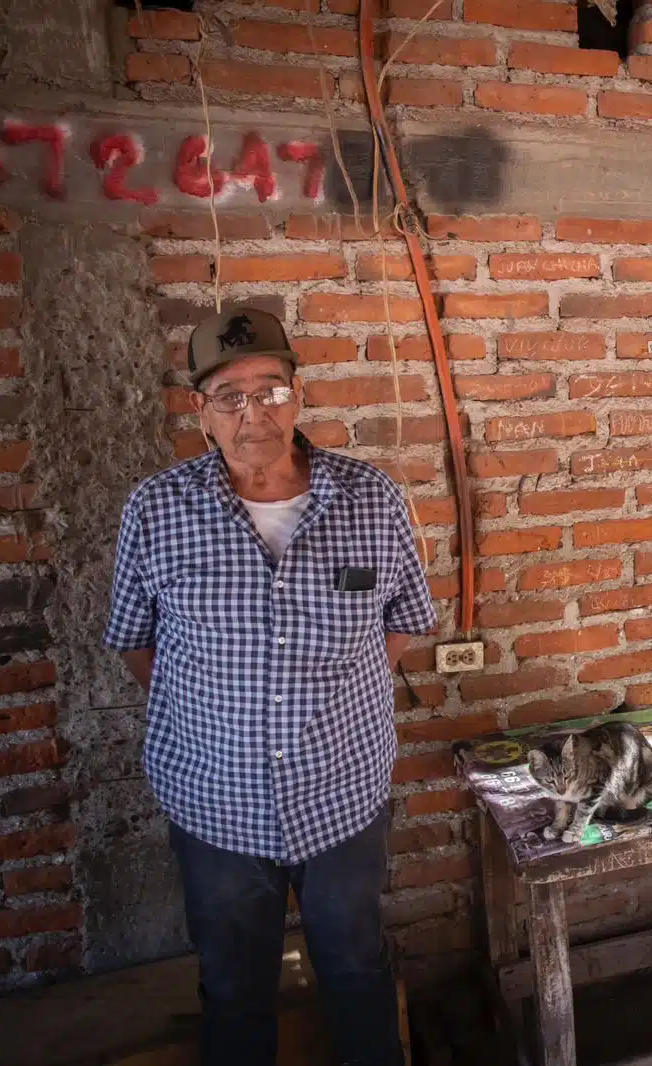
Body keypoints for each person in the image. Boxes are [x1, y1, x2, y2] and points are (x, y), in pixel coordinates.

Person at [104, 307, 437, 1066]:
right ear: (202, 412)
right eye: (231, 396)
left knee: (356, 969)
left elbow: (405, 621)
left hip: (342, 793)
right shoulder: (156, 509)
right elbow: (134, 644)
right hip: (217, 802)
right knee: (232, 986)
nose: (255, 412)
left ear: (298, 395)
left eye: (272, 389)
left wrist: (337, 695)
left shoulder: (370, 499)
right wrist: (215, 713)